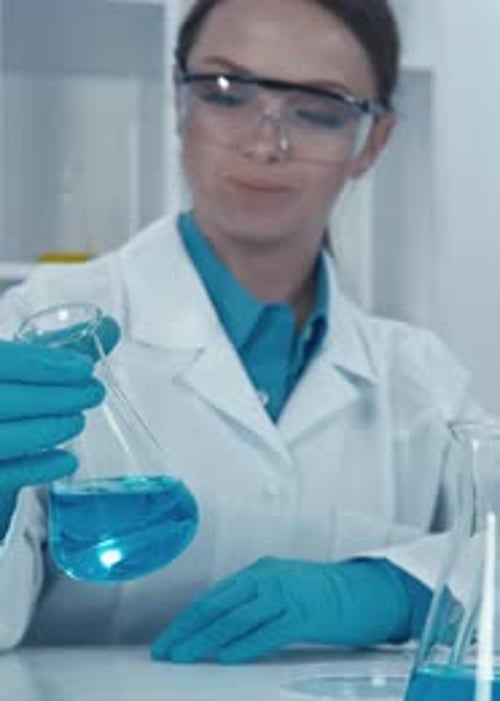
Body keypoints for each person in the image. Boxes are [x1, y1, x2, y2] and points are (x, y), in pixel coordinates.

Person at [0, 0, 478, 660]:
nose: (264, 144)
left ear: (372, 141)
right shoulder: (36, 326)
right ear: (180, 104)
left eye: (318, 108)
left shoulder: (420, 381)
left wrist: (396, 588)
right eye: (225, 93)